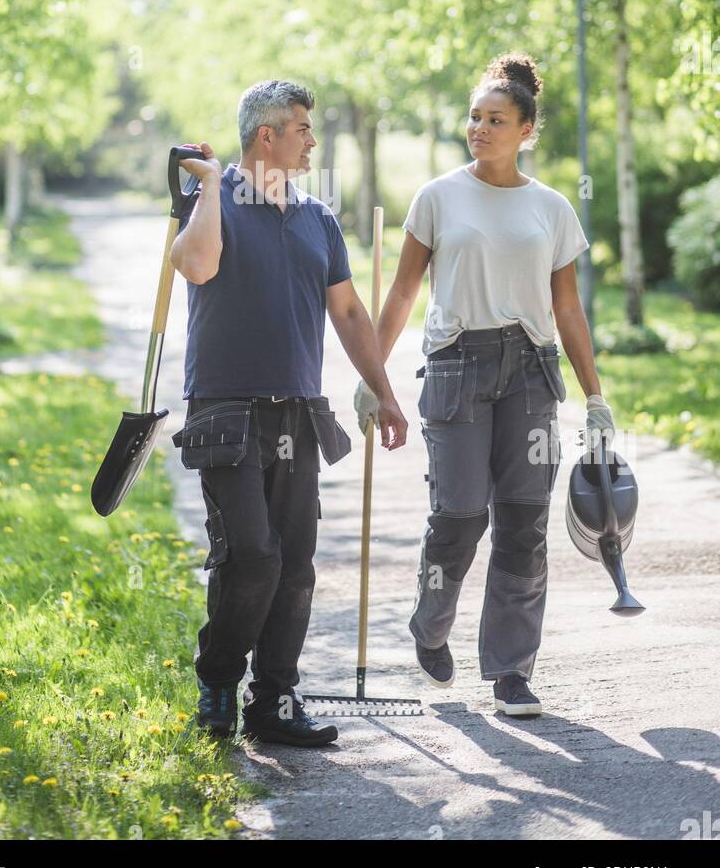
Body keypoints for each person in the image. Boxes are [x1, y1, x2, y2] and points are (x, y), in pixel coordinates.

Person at [354, 52, 615, 718]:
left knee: (523, 525)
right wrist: (371, 376)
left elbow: (567, 309)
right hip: (456, 368)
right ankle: (431, 622)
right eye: (474, 117)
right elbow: (405, 289)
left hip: (531, 370)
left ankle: (510, 671)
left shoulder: (552, 209)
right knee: (458, 518)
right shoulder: (438, 197)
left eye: (495, 119)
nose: (480, 128)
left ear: (527, 129)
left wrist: (594, 397)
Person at [170, 79, 408, 747]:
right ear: (266, 136)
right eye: (302, 127)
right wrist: (213, 188)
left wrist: (384, 391)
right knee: (251, 555)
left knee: (295, 563)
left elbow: (350, 312)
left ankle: (273, 701)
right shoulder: (211, 202)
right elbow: (194, 265)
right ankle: (218, 678)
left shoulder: (318, 218)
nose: (312, 139)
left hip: (298, 412)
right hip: (226, 410)